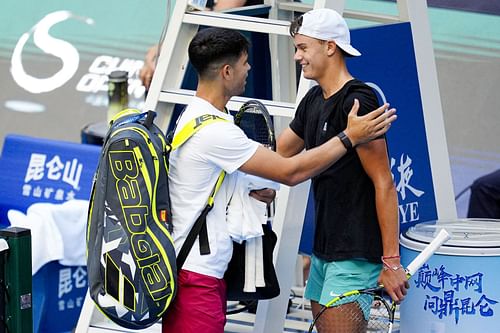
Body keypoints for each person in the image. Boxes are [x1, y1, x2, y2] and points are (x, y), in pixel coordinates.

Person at [162, 27, 396, 333]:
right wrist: (349, 136)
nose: (250, 68)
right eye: (245, 63)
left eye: (302, 47)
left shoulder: (194, 116)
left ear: (330, 47)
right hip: (197, 274)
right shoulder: (218, 132)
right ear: (227, 71)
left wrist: (253, 186)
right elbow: (289, 171)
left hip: (196, 271)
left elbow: (273, 161)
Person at [277, 8, 409, 332]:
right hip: (323, 253)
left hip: (354, 255)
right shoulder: (311, 100)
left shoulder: (357, 102)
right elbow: (281, 154)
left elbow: (384, 182)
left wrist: (391, 261)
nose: (298, 57)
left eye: (304, 48)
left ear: (330, 47)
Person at [139, 0, 263, 91]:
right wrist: (159, 51)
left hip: (235, 63)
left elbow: (213, 21)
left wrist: (165, 52)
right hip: (207, 52)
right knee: (154, 66)